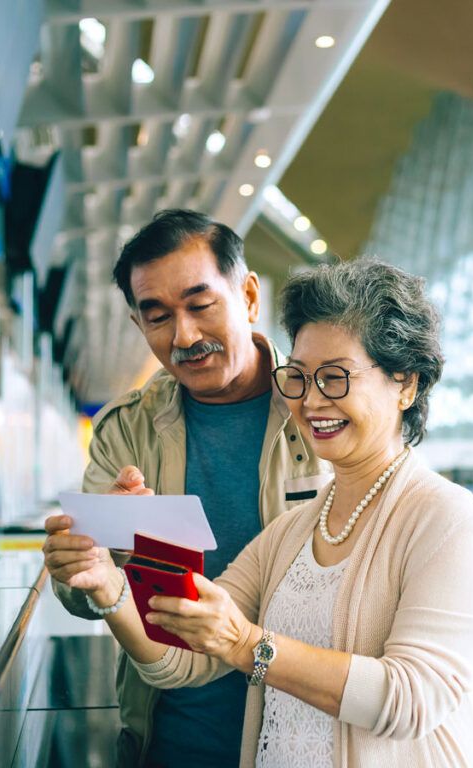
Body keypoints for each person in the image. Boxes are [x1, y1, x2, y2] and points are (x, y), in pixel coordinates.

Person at [63, 258, 473, 767]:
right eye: (299, 376)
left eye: (335, 378)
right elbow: (183, 656)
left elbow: (410, 699)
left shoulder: (446, 520)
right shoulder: (295, 530)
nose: (311, 401)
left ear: (406, 383)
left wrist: (248, 644)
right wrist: (108, 586)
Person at [42, 209, 330, 767]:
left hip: (305, 737)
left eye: (201, 306)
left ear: (248, 296)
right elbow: (85, 594)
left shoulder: (319, 409)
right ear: (137, 324)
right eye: (158, 317)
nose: (184, 336)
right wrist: (86, 567)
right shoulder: (126, 428)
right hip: (168, 737)